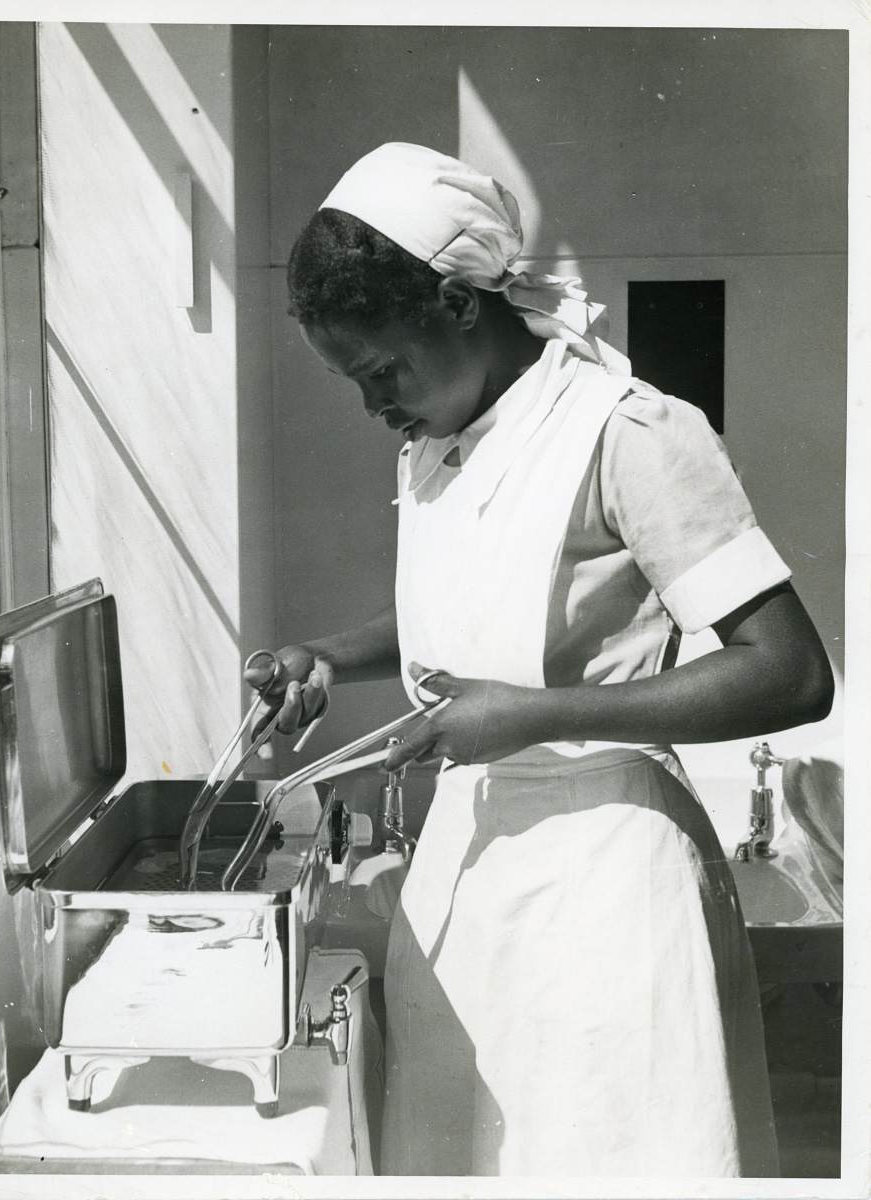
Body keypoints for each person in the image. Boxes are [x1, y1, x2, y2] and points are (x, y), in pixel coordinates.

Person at [245, 143, 834, 1177]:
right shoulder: (439, 438)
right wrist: (327, 655)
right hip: (472, 869)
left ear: (459, 306)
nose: (374, 405)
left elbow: (788, 670)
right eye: (355, 381)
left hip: (608, 879)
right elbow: (466, 615)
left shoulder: (630, 433)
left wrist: (530, 715)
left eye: (383, 371)